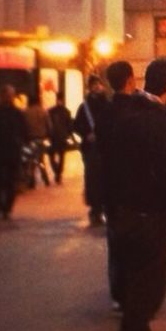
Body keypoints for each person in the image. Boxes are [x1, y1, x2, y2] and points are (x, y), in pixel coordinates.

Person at [100, 59, 166, 331]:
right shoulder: (160, 123)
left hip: (124, 210)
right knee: (149, 284)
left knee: (135, 280)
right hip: (151, 214)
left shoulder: (125, 116)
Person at [0, 82, 27, 220]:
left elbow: (23, 130)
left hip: (11, 151)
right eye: (6, 94)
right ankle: (0, 205)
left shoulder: (16, 113)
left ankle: (6, 207)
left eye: (10, 95)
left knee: (10, 180)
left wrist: (19, 141)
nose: (8, 97)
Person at [74, 74, 108, 225]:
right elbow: (76, 125)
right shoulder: (85, 106)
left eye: (99, 84)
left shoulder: (107, 104)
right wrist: (86, 134)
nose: (97, 87)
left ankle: (104, 207)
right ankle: (95, 209)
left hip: (105, 147)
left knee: (105, 178)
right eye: (94, 84)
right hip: (91, 148)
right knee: (93, 178)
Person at [45, 92, 73, 184]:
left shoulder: (51, 111)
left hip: (53, 136)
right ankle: (58, 173)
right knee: (61, 155)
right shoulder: (66, 111)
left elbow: (48, 124)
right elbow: (69, 125)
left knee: (52, 155)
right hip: (62, 136)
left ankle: (57, 171)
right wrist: (69, 135)